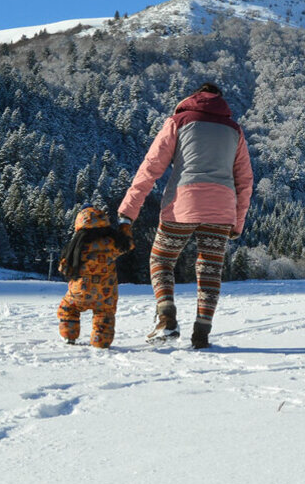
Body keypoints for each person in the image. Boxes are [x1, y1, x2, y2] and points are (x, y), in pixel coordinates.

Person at [119, 83, 254, 349]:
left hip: (183, 204)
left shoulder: (178, 121)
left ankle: (167, 319)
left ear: (193, 97)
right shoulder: (234, 130)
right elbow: (245, 180)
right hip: (222, 208)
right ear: (220, 101)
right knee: (210, 269)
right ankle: (202, 334)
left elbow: (150, 167)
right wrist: (238, 222)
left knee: (161, 258)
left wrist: (127, 212)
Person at [57, 205, 132, 348]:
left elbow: (63, 268)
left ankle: (69, 335)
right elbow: (128, 244)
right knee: (105, 314)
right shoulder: (112, 244)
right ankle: (101, 341)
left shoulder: (77, 246)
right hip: (106, 294)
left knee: (68, 308)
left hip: (79, 292)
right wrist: (125, 225)